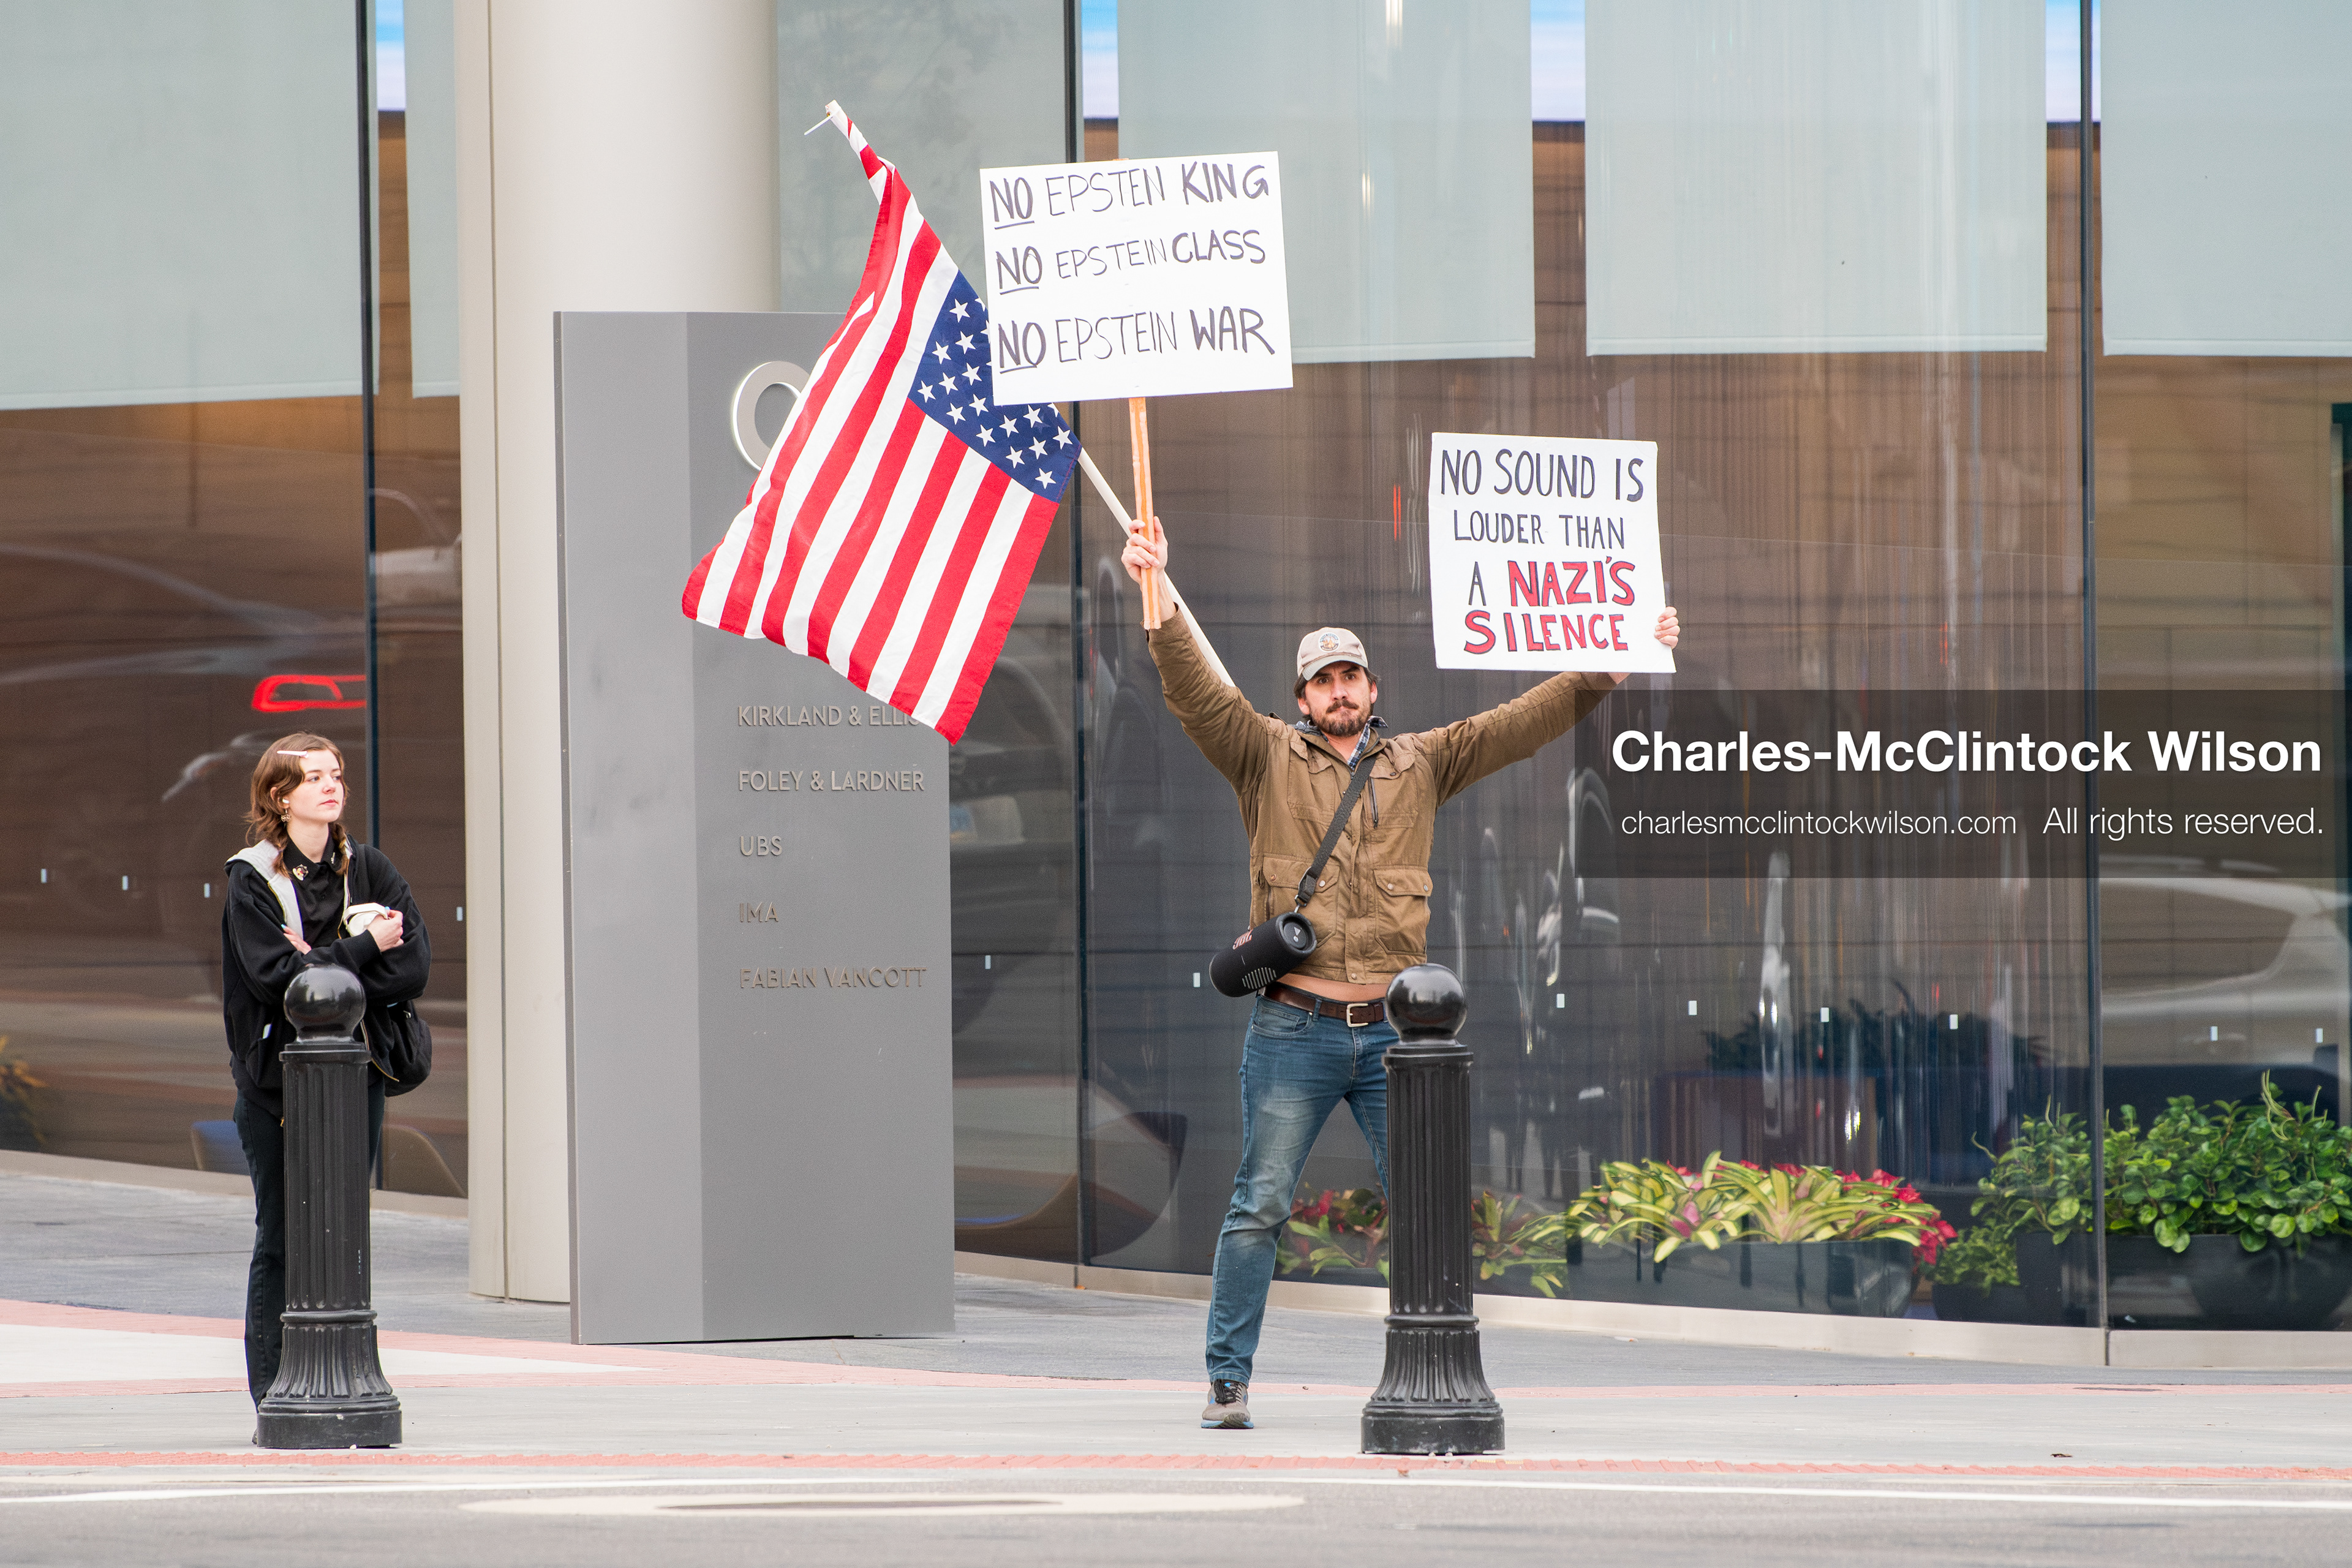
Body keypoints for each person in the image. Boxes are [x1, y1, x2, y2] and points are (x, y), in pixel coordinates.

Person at [1119, 524, 1680, 1431]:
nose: (1339, 692)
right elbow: (1195, 695)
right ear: (1302, 697)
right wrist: (1160, 596)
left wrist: (1609, 663)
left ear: (1372, 689)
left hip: (1394, 1036)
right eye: (1322, 680)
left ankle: (1436, 1365)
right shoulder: (1262, 754)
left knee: (1423, 1211)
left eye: (1352, 677)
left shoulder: (1422, 761)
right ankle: (1228, 1377)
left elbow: (1519, 724)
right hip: (1295, 1027)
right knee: (1258, 1207)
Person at [221, 733, 429, 1412]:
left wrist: (325, 956)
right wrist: (365, 945)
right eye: (314, 778)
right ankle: (274, 1388)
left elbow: (415, 965)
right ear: (281, 798)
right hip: (276, 1088)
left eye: (336, 775)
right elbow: (276, 977)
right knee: (283, 1234)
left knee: (345, 1230)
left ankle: (344, 1373)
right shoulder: (253, 877)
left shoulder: (367, 867)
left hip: (355, 1078)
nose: (332, 787)